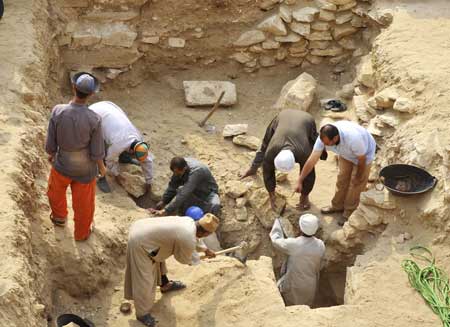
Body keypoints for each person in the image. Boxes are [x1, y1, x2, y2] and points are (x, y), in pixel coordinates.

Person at [124, 213, 219, 327]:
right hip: (140, 241)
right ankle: (142, 313)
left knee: (159, 258)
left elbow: (194, 239)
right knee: (145, 279)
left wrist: (205, 250)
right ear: (206, 233)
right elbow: (183, 259)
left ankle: (165, 285)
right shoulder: (187, 236)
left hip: (144, 230)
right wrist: (196, 260)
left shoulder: (189, 222)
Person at [45, 72, 105, 241]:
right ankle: (81, 233)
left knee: (55, 192)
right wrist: (101, 168)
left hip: (62, 164)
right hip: (85, 171)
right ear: (91, 94)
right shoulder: (94, 119)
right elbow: (96, 151)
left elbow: (51, 143)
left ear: (73, 88)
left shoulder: (58, 111)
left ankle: (59, 218)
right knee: (84, 204)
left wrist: (52, 155)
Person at [241, 109, 326, 210]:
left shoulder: (304, 152)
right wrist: (271, 195)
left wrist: (304, 196)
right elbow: (268, 173)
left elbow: (309, 174)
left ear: (295, 159)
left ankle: (305, 198)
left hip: (306, 120)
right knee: (265, 143)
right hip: (282, 117)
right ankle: (253, 168)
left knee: (313, 144)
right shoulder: (271, 152)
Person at [296, 121, 376, 224]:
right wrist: (300, 179)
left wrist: (358, 176)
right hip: (346, 153)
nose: (325, 146)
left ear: (335, 138)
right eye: (323, 143)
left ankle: (349, 212)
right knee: (342, 179)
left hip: (364, 155)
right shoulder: (323, 139)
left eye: (327, 144)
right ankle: (337, 206)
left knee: (355, 184)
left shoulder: (354, 139)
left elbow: (362, 159)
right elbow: (312, 160)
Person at [89, 101, 153, 195]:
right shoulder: (117, 145)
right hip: (94, 115)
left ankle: (124, 158)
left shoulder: (138, 139)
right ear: (131, 151)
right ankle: (100, 176)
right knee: (100, 150)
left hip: (109, 110)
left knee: (116, 145)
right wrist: (117, 175)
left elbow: (147, 160)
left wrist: (149, 181)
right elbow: (109, 161)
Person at [270, 213, 325, 306]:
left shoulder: (294, 244)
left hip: (294, 283)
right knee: (306, 307)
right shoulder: (320, 245)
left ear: (300, 228)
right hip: (310, 285)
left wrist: (277, 223)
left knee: (292, 307)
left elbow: (276, 240)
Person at [151, 157, 220, 217]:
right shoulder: (179, 166)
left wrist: (166, 210)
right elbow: (173, 185)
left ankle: (204, 225)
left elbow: (184, 193)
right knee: (180, 190)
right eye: (175, 173)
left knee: (215, 205)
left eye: (178, 173)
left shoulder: (197, 171)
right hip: (194, 193)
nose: (176, 175)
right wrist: (163, 201)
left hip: (208, 194)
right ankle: (183, 215)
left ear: (185, 168)